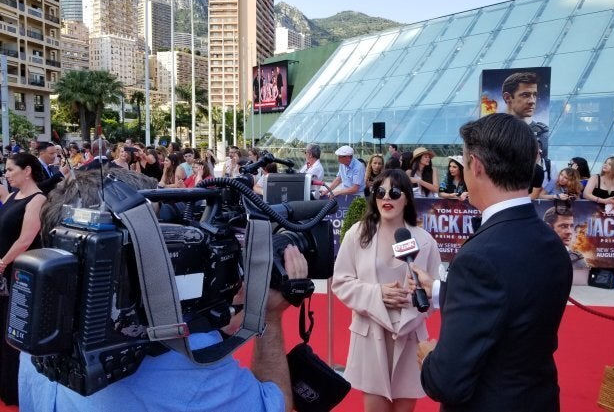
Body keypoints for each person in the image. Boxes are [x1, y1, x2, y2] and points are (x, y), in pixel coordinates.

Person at [19, 167, 307, 412]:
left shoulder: (38, 336)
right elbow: (275, 404)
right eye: (157, 236)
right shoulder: (192, 372)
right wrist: (268, 317)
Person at [411, 113, 572, 411]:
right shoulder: (552, 242)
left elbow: (447, 382)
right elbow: (512, 303)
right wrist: (439, 289)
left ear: (476, 165)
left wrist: (429, 358)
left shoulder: (479, 257)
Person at [332, 169, 441, 412]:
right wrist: (376, 294)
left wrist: (414, 303)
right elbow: (341, 282)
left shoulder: (425, 241)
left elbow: (434, 294)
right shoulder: (357, 234)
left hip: (410, 337)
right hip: (370, 335)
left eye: (394, 192)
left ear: (407, 198)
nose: (386, 198)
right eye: (380, 192)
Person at [0, 153, 47, 405]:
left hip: (18, 277)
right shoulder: (11, 196)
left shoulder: (38, 200)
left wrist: (2, 263)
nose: (6, 174)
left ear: (26, 171)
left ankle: (14, 390)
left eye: (10, 169)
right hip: (4, 271)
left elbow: (25, 240)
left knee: (13, 331)